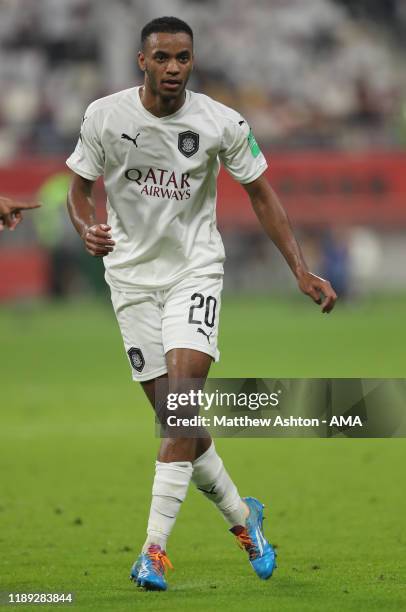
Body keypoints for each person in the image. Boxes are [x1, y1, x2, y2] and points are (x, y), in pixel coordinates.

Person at [66, 16, 337, 592]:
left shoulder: (221, 122)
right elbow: (78, 189)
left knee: (182, 408)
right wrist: (87, 227)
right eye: (162, 57)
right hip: (130, 282)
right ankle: (246, 521)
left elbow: (262, 193)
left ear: (193, 60)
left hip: (195, 272)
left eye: (183, 58)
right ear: (142, 61)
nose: (173, 68)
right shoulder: (104, 116)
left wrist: (299, 268)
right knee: (176, 422)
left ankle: (152, 552)